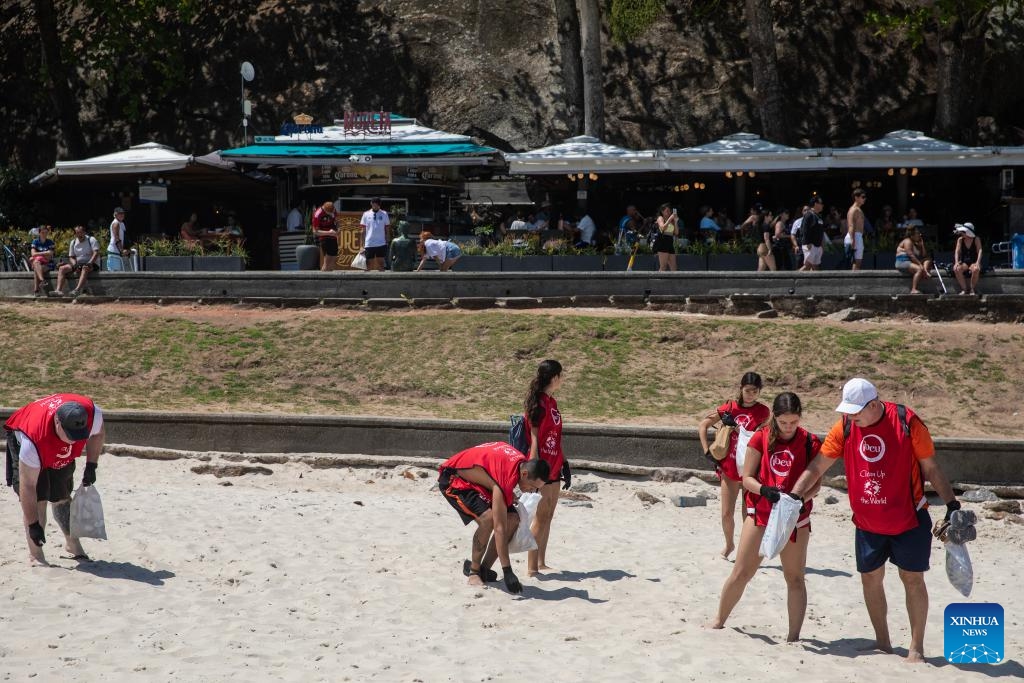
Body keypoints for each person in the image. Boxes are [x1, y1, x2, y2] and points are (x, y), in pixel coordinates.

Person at [788, 378, 961, 663]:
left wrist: (952, 504)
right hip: (868, 522)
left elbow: (931, 466)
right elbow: (819, 464)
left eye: (856, 411)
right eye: (848, 411)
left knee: (912, 579)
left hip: (909, 517)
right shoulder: (845, 425)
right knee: (870, 578)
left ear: (874, 404)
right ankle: (883, 642)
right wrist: (795, 495)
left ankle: (916, 648)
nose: (851, 416)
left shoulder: (906, 421)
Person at [709, 392, 822, 641]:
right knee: (741, 572)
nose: (789, 428)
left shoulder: (809, 442)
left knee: (794, 577)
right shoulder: (761, 437)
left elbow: (816, 484)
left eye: (794, 422)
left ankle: (793, 636)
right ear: (775, 417)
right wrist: (764, 490)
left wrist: (801, 498)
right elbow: (747, 477)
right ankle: (718, 621)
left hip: (795, 518)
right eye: (784, 423)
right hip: (761, 513)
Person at [4, 393, 106, 565]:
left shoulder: (92, 414)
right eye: (71, 435)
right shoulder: (33, 440)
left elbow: (98, 434)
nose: (74, 441)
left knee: (62, 496)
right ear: (58, 423)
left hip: (55, 444)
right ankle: (36, 554)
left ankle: (72, 544)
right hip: (28, 435)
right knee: (39, 498)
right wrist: (33, 525)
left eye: (79, 435)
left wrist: (91, 465)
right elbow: (28, 485)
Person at [438, 441, 549, 593]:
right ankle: (474, 572)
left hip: (483, 482)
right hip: (455, 479)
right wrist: (507, 571)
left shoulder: (519, 465)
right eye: (532, 486)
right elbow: (499, 528)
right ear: (524, 474)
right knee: (488, 519)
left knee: (513, 519)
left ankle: (484, 570)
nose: (532, 491)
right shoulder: (504, 478)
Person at [698, 372, 770, 559]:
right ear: (741, 389)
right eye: (747, 390)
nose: (751, 394)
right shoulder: (730, 407)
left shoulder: (763, 412)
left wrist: (740, 429)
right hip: (729, 467)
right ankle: (729, 545)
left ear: (759, 391)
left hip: (751, 468)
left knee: (749, 514)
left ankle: (746, 550)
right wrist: (707, 451)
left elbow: (764, 437)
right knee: (726, 513)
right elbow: (703, 425)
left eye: (755, 391)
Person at [521, 359, 570, 576]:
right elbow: (533, 439)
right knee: (540, 517)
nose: (563, 379)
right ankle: (531, 568)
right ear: (554, 377)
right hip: (541, 466)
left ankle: (541, 562)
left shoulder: (553, 402)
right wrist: (533, 472)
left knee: (549, 515)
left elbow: (556, 436)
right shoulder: (538, 404)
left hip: (555, 463)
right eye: (561, 375)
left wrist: (565, 462)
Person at [56, 224, 100, 297]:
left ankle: (77, 290)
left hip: (92, 263)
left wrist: (89, 263)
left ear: (84, 232)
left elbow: (96, 253)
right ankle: (58, 291)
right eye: (77, 233)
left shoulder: (91, 239)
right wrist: (74, 264)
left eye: (81, 232)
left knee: (85, 267)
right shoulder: (73, 242)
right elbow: (71, 257)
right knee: (62, 268)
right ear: (75, 233)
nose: (79, 235)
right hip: (78, 263)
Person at [895, 226, 933, 294]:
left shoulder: (916, 244)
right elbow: (911, 255)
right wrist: (920, 265)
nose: (920, 234)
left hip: (911, 262)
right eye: (917, 233)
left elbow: (924, 255)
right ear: (912, 235)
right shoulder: (907, 241)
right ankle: (913, 289)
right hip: (903, 262)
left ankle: (925, 272)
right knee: (919, 269)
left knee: (928, 259)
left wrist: (922, 244)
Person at [358, 197, 390, 271]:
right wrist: (361, 246)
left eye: (377, 204)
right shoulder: (366, 214)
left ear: (379, 205)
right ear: (371, 204)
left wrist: (388, 240)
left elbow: (387, 229)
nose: (375, 206)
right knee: (368, 264)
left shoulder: (384, 214)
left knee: (381, 263)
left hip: (381, 243)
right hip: (369, 243)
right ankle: (366, 281)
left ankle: (382, 280)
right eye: (374, 204)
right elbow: (363, 230)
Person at [953, 222, 983, 295]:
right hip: (964, 262)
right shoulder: (960, 239)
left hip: (974, 261)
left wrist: (978, 262)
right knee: (956, 269)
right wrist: (956, 262)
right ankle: (964, 289)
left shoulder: (976, 239)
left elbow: (980, 250)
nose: (962, 233)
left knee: (976, 269)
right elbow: (957, 251)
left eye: (963, 231)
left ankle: (972, 289)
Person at [311, 201, 339, 272]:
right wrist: (329, 233)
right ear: (325, 210)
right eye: (330, 213)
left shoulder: (333, 210)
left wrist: (338, 228)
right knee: (327, 261)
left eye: (333, 212)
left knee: (333, 258)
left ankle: (331, 278)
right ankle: (322, 279)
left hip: (333, 236)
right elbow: (315, 232)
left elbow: (337, 221)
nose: (332, 214)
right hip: (324, 237)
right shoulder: (317, 214)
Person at [799, 197, 825, 271]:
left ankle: (816, 282)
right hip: (810, 245)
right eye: (821, 203)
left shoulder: (818, 216)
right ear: (816, 204)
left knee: (816, 266)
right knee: (807, 266)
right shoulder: (809, 215)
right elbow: (804, 230)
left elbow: (820, 232)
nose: (822, 205)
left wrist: (822, 245)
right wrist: (808, 243)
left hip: (817, 246)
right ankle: (793, 279)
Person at [29, 224, 56, 295]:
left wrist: (38, 254)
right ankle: (42, 280)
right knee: (37, 264)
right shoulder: (35, 242)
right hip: (39, 263)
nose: (44, 234)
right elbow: (33, 254)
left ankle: (36, 291)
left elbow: (50, 255)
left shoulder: (50, 242)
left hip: (48, 264)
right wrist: (45, 253)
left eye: (46, 232)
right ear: (39, 233)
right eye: (42, 232)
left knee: (36, 267)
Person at [846, 189, 867, 270]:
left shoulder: (858, 209)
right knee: (856, 263)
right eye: (863, 197)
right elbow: (851, 225)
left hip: (856, 236)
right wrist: (852, 239)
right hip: (855, 236)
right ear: (856, 198)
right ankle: (853, 282)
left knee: (857, 263)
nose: (864, 199)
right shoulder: (854, 209)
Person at [654, 203, 678, 271]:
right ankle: (658, 280)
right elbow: (662, 228)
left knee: (674, 267)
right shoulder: (660, 218)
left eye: (670, 211)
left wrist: (675, 221)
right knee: (663, 266)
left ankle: (674, 281)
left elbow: (676, 233)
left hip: (670, 241)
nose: (669, 212)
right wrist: (670, 219)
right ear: (662, 211)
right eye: (667, 211)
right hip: (662, 241)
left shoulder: (672, 220)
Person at [106, 207, 129, 271]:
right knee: (114, 275)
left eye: (123, 213)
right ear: (115, 215)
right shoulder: (116, 223)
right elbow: (116, 238)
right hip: (114, 252)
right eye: (120, 213)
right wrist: (122, 250)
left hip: (118, 253)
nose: (122, 215)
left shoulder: (121, 223)